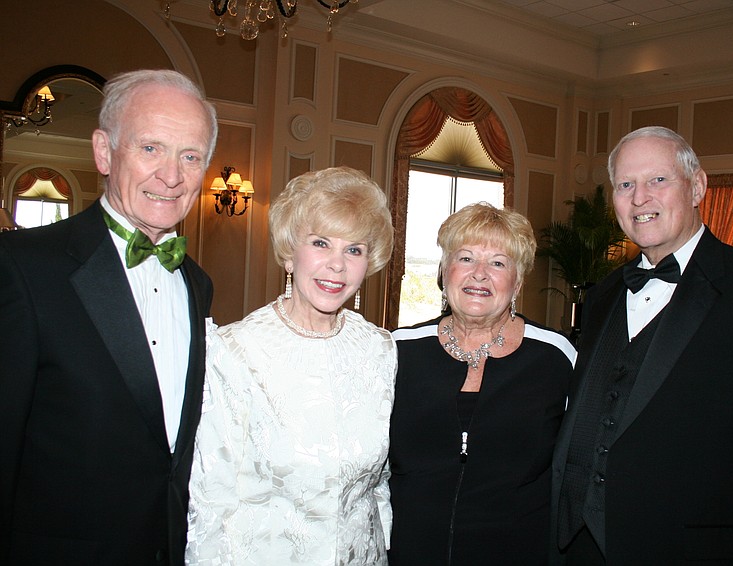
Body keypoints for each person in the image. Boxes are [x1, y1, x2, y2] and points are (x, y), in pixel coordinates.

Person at [551, 126, 733, 565]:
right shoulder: (604, 293)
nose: (640, 198)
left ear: (698, 185)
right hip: (578, 544)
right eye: (626, 185)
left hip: (691, 550)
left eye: (657, 180)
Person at [0, 69, 217, 565]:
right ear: (103, 151)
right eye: (150, 148)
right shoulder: (23, 268)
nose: (172, 175)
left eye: (191, 156)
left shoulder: (197, 285)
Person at [185, 166, 396, 565]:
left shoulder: (380, 349)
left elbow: (378, 488)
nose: (337, 265)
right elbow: (210, 501)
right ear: (289, 253)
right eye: (321, 243)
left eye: (354, 249)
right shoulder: (235, 351)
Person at [389, 202, 577, 565]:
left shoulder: (556, 357)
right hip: (408, 551)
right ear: (444, 272)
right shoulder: (397, 350)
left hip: (519, 552)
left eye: (498, 263)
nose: (479, 274)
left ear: (518, 280)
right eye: (466, 258)